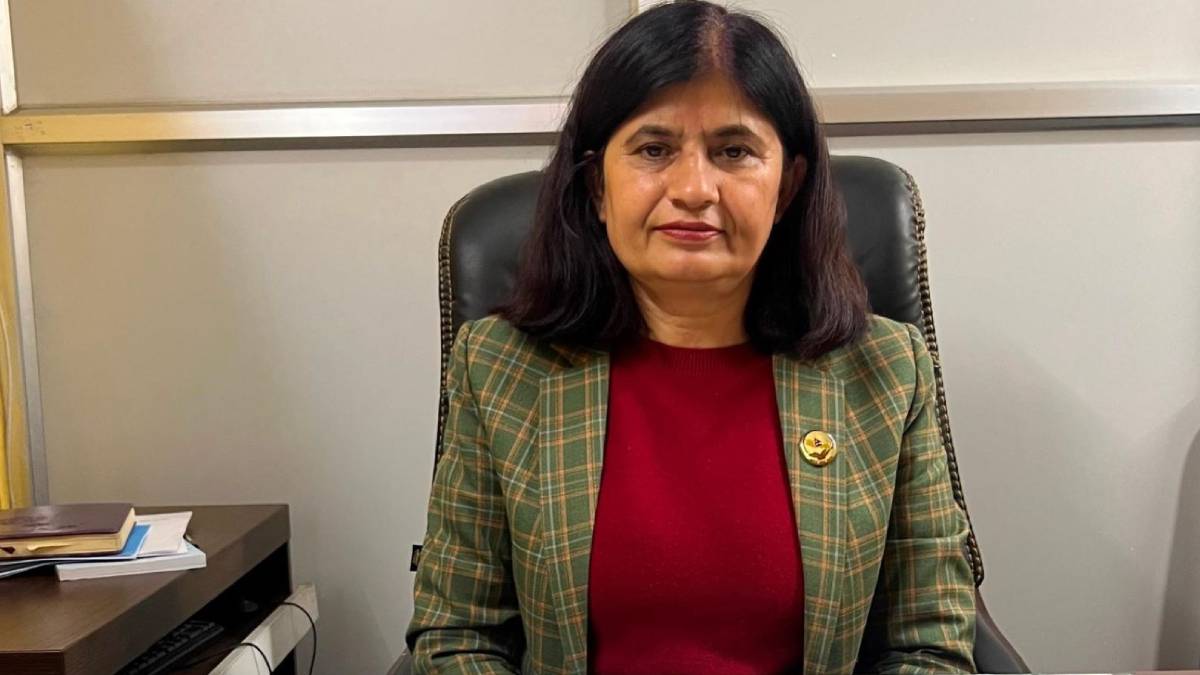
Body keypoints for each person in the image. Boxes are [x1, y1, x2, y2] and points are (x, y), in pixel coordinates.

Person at [405, 1, 976, 673]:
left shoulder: (884, 371)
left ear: (787, 187)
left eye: (733, 151)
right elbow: (458, 635)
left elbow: (929, 641)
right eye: (654, 150)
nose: (694, 188)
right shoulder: (501, 369)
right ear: (597, 186)